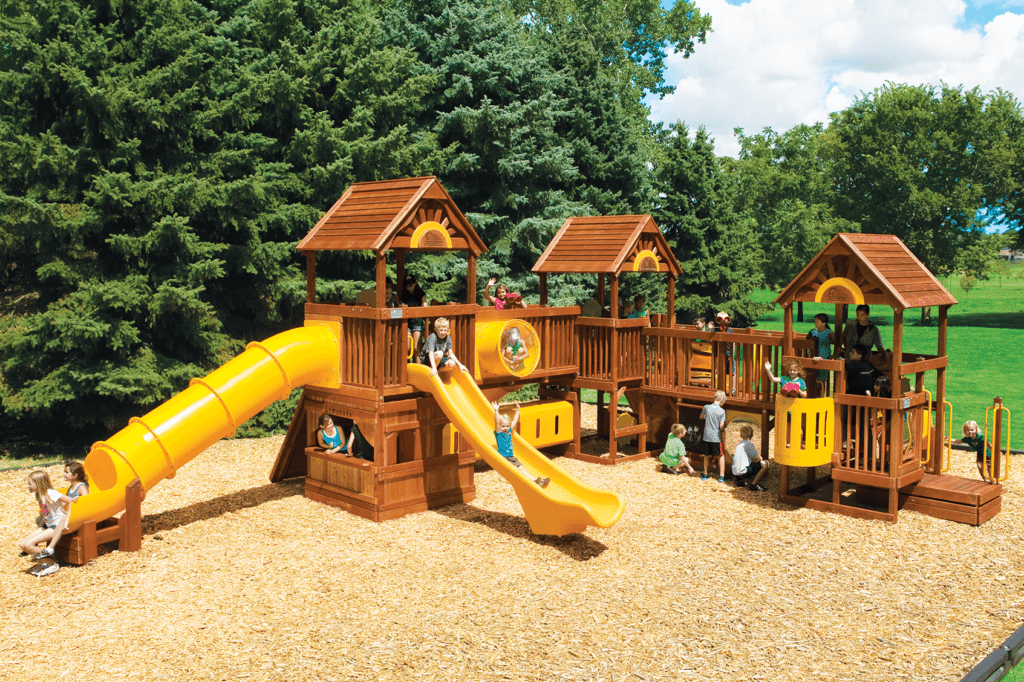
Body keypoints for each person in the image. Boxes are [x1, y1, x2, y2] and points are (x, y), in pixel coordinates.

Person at [19, 470, 76, 559]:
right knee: (22, 544)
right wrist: (45, 516)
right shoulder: (39, 495)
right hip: (49, 524)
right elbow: (44, 507)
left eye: (30, 484)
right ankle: (46, 559)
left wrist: (66, 518)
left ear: (38, 484)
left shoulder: (51, 493)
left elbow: (71, 501)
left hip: (56, 526)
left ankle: (50, 562)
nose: (28, 486)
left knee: (28, 545)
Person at [492, 401, 550, 488]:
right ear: (500, 427)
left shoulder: (509, 432)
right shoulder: (499, 434)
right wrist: (496, 411)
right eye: (503, 426)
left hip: (511, 457)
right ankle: (535, 482)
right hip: (505, 458)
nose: (505, 428)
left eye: (507, 426)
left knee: (523, 469)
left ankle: (539, 482)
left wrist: (518, 410)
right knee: (520, 470)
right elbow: (496, 422)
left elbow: (514, 420)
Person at [700, 390, 728, 482]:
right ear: (721, 399)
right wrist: (724, 429)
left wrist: (707, 418)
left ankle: (705, 474)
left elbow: (701, 417)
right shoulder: (722, 411)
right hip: (716, 437)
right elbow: (721, 426)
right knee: (721, 455)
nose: (723, 403)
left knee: (706, 455)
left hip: (706, 436)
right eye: (724, 401)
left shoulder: (706, 407)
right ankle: (721, 476)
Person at [731, 424, 768, 491]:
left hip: (734, 472)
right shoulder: (749, 444)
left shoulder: (739, 444)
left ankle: (739, 479)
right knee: (765, 463)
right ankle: (754, 484)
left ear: (741, 435)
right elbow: (760, 458)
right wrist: (759, 460)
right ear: (751, 435)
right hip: (743, 472)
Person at [401, 274, 427, 361]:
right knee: (406, 347)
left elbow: (424, 305)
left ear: (415, 283)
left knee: (417, 348)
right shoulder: (404, 293)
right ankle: (406, 367)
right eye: (407, 284)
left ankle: (418, 368)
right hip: (407, 322)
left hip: (417, 322)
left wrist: (424, 310)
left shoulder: (420, 293)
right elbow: (401, 305)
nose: (409, 287)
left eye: (411, 284)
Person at [807, 313, 836, 388]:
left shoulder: (829, 332)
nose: (815, 323)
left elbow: (837, 344)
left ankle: (820, 395)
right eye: (815, 322)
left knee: (821, 380)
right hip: (813, 357)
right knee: (812, 378)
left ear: (824, 323)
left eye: (817, 322)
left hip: (824, 358)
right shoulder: (813, 332)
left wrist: (832, 356)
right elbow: (806, 343)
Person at [715, 311, 737, 395]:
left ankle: (733, 388)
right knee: (717, 370)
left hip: (728, 355)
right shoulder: (715, 330)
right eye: (720, 319)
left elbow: (733, 343)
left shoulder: (730, 331)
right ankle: (718, 387)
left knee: (732, 372)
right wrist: (709, 329)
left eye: (725, 319)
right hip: (718, 355)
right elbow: (709, 338)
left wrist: (732, 355)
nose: (723, 322)